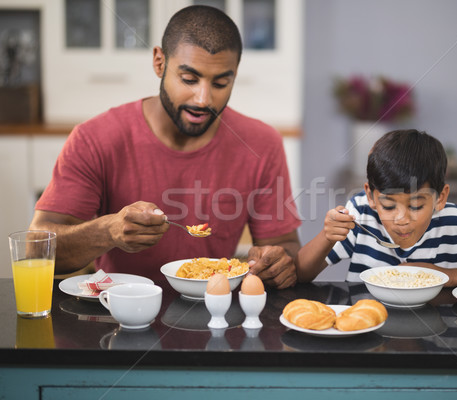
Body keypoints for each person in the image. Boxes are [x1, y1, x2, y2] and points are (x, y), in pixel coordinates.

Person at [29, 6, 301, 288]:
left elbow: (284, 246)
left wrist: (278, 262)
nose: (203, 99)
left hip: (216, 313)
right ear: (159, 62)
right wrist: (108, 231)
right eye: (189, 79)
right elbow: (36, 247)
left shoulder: (262, 143)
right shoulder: (94, 138)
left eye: (221, 82)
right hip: (118, 315)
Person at [295, 129, 457, 287]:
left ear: (440, 197)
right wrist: (327, 236)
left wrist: (448, 276)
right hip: (368, 331)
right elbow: (300, 274)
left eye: (416, 205)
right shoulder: (361, 214)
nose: (401, 218)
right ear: (370, 196)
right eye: (388, 206)